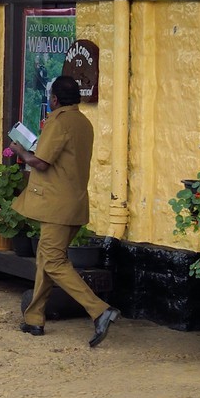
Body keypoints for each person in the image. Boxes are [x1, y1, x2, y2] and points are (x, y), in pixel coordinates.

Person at [9, 74, 120, 347]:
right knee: (46, 259)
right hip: (75, 202)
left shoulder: (59, 121)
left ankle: (99, 310)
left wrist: (20, 151)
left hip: (56, 206)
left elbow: (42, 162)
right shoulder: (84, 122)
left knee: (54, 261)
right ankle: (34, 318)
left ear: (54, 99)